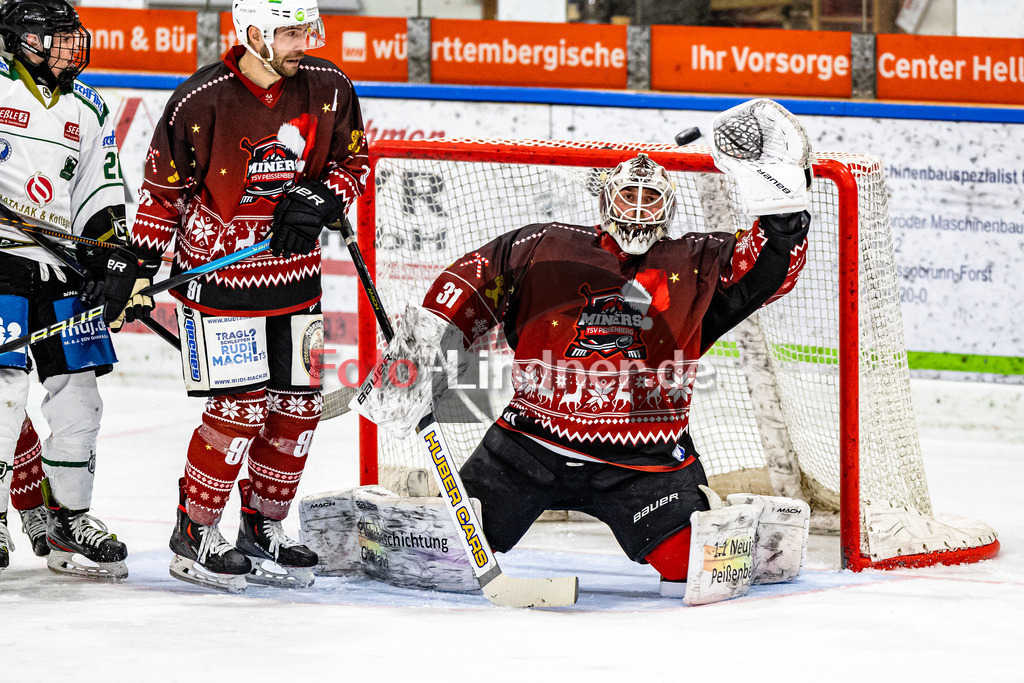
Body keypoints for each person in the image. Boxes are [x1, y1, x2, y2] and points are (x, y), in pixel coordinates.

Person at [354, 100, 812, 602]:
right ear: (605, 202)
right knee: (442, 558)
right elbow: (473, 280)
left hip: (645, 465)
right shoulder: (545, 246)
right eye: (629, 195)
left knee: (694, 569)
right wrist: (423, 348)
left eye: (650, 198)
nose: (638, 208)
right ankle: (362, 523)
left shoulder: (696, 262)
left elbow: (769, 269)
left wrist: (782, 203)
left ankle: (742, 530)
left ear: (668, 209)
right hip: (525, 450)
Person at [128, 0, 367, 593]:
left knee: (297, 411)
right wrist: (138, 270)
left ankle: (263, 526)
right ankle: (195, 529)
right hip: (219, 282)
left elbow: (354, 160)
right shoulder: (199, 99)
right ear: (253, 33)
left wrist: (321, 197)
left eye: (305, 30)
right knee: (238, 411)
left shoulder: (329, 86)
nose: (301, 43)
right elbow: (163, 197)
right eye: (289, 32)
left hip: (297, 284)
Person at [0, 0, 147, 580]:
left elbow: (99, 193)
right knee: (5, 394)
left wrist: (113, 260)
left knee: (80, 399)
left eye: (70, 38)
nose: (68, 48)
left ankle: (68, 518)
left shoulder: (88, 106)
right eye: (54, 38)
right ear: (18, 40)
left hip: (62, 271)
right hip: (3, 263)